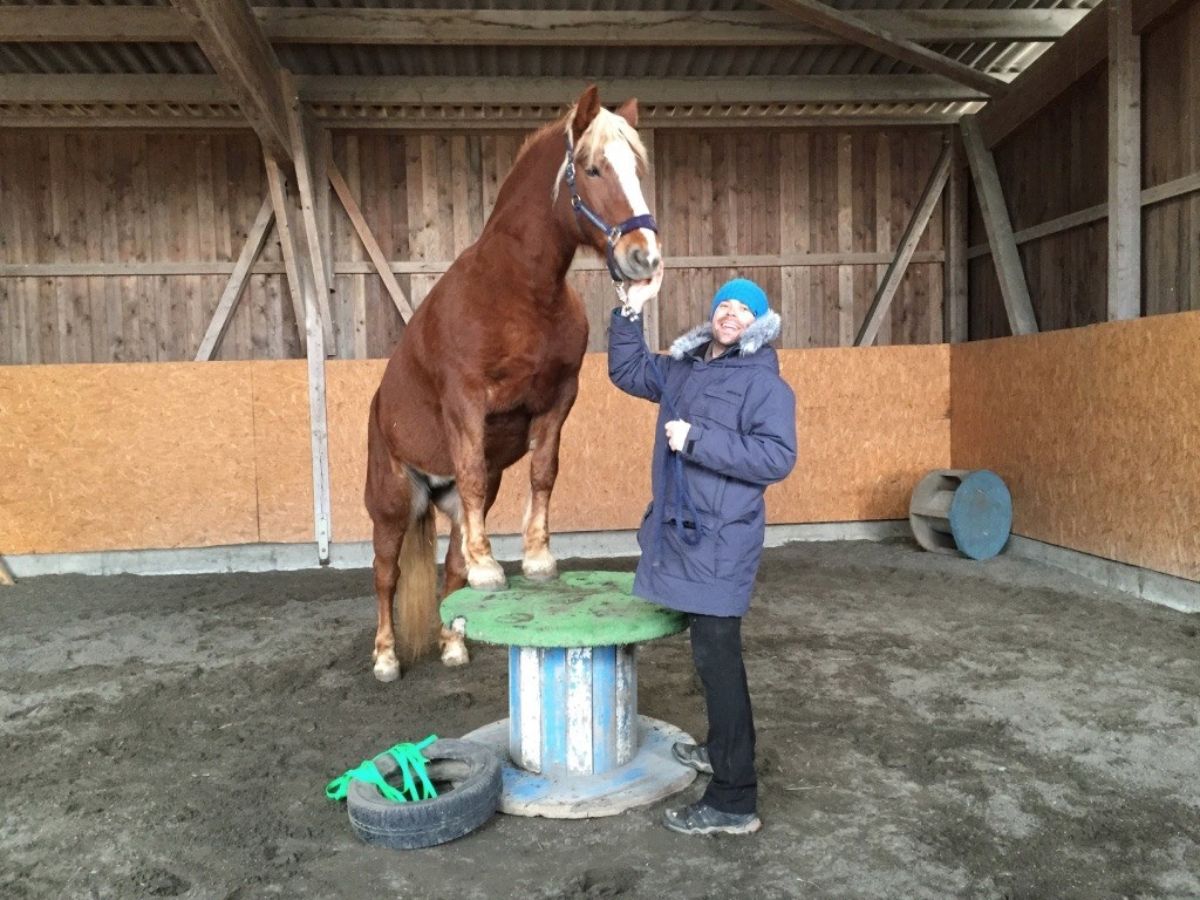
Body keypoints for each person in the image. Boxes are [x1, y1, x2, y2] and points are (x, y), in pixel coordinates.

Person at [608, 277, 797, 836]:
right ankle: (719, 750)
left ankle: (734, 801)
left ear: (758, 324)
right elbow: (627, 370)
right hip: (686, 537)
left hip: (723, 542)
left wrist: (695, 440)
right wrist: (629, 311)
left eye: (745, 309)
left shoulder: (763, 384)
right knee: (708, 656)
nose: (731, 314)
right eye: (725, 305)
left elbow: (776, 457)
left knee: (719, 663)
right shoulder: (684, 368)